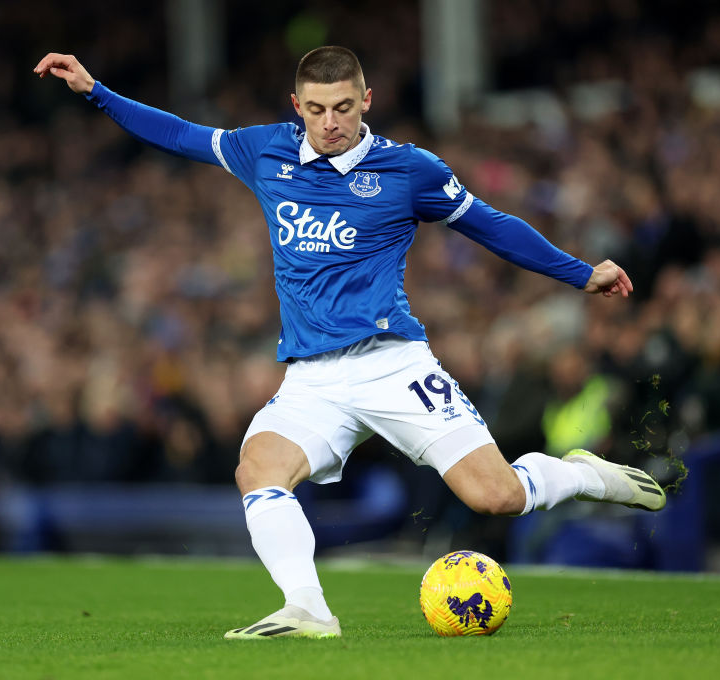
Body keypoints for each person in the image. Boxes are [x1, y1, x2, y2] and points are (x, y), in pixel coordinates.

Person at [34, 46, 666, 639]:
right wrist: (96, 91)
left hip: (391, 363)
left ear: (367, 100)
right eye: (316, 109)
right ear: (296, 105)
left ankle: (582, 475)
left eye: (342, 107)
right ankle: (307, 609)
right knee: (258, 469)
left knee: (497, 496)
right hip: (312, 377)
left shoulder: (408, 170)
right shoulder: (265, 151)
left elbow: (491, 225)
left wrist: (580, 272)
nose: (330, 122)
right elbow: (178, 134)